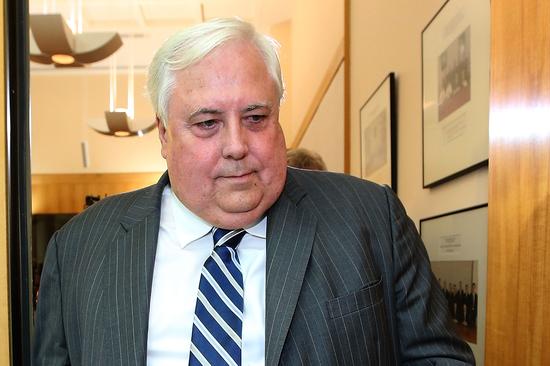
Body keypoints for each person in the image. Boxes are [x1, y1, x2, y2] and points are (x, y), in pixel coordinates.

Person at [33, 17, 474, 365]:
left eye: (256, 118)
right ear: (165, 136)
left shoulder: (369, 217)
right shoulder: (79, 249)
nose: (237, 146)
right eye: (207, 123)